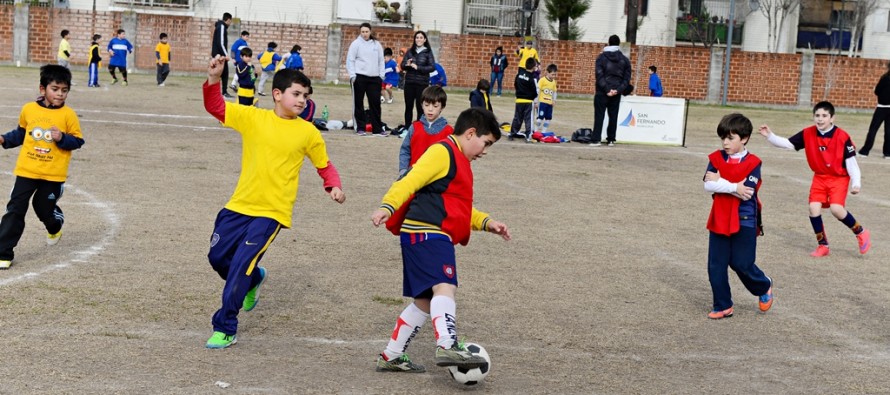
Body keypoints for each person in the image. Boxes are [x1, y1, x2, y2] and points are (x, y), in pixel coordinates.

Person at [201, 55, 346, 348]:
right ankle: (255, 280)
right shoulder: (254, 117)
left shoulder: (308, 132)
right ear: (277, 95)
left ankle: (226, 326)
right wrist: (214, 80)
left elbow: (324, 165)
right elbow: (216, 107)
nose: (302, 100)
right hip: (238, 206)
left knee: (241, 265)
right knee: (217, 258)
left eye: (305, 95)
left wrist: (333, 185)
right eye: (296, 93)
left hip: (271, 213)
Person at [370, 107, 511, 373]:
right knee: (445, 285)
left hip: (425, 233)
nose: (485, 151)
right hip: (428, 232)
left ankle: (391, 355)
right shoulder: (442, 152)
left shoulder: (459, 160)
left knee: (424, 301)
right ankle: (447, 344)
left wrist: (486, 222)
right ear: (471, 133)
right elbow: (409, 181)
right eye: (486, 143)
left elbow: (455, 206)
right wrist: (386, 207)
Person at [758, 101, 871, 257]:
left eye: (824, 115)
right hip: (820, 177)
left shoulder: (842, 137)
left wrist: (856, 183)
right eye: (817, 115)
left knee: (836, 209)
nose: (820, 119)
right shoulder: (808, 133)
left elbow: (852, 163)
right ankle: (823, 245)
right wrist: (770, 136)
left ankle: (861, 232)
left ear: (832, 118)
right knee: (813, 208)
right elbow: (788, 144)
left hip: (838, 178)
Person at [0, 65, 86, 270]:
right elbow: (22, 133)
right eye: (55, 89)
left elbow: (78, 141)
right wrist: (4, 139)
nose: (59, 94)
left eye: (64, 90)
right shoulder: (29, 109)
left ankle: (55, 225)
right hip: (27, 170)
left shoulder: (68, 115)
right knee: (15, 209)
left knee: (43, 208)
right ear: (42, 89)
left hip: (53, 174)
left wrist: (62, 138)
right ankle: (3, 253)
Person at [703, 113, 774, 320]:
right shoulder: (715, 158)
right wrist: (734, 186)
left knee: (741, 264)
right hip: (719, 217)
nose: (725, 143)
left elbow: (748, 193)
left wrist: (721, 182)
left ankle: (764, 284)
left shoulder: (753, 162)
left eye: (730, 138)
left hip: (745, 219)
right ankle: (723, 305)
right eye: (723, 138)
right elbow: (708, 185)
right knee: (716, 265)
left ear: (744, 139)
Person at [398, 85, 452, 177]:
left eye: (435, 106)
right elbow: (405, 150)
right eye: (426, 105)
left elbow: (452, 158)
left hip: (437, 180)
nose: (430, 109)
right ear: (422, 105)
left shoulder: (449, 131)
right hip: (413, 176)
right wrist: (403, 171)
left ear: (442, 107)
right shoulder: (414, 127)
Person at [346, 23, 386, 135]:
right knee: (358, 103)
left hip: (374, 78)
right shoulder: (356, 44)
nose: (365, 34)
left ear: (370, 31)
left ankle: (377, 129)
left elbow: (381, 61)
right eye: (362, 32)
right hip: (360, 77)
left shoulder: (376, 44)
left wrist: (381, 75)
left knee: (375, 104)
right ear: (360, 32)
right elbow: (350, 60)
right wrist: (353, 75)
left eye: (366, 32)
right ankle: (360, 128)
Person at [591, 34, 631, 146]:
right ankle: (611, 139)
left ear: (608, 43)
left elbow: (599, 75)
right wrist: (617, 90)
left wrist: (607, 89)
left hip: (602, 91)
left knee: (599, 115)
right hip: (616, 92)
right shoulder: (625, 60)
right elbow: (626, 79)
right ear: (618, 44)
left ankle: (596, 139)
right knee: (613, 116)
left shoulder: (601, 58)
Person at [401, 30, 435, 127]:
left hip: (422, 83)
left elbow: (432, 67)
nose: (418, 39)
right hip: (409, 82)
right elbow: (402, 65)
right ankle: (407, 127)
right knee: (408, 106)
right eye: (417, 37)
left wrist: (418, 67)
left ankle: (419, 128)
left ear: (424, 40)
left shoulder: (428, 52)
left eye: (421, 38)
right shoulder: (410, 51)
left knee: (420, 107)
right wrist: (407, 65)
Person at [858, 61, 890, 158]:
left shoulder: (885, 78)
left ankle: (865, 151)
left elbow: (877, 91)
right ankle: (888, 153)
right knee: (889, 131)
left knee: (873, 130)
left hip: (881, 108)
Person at [509, 58, 537, 142]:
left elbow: (515, 84)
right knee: (528, 119)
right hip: (528, 101)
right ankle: (528, 134)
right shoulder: (531, 78)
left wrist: (519, 93)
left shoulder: (519, 74)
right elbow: (534, 91)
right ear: (533, 67)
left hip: (519, 100)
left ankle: (513, 132)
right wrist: (533, 97)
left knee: (517, 117)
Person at [212, 12, 233, 98]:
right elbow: (221, 43)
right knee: (220, 74)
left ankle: (223, 92)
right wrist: (225, 54)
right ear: (228, 20)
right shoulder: (221, 27)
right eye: (230, 21)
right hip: (219, 55)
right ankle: (221, 92)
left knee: (223, 74)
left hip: (220, 54)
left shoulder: (221, 26)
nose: (230, 23)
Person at [536, 64, 558, 133]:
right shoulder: (542, 80)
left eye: (555, 74)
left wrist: (554, 100)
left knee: (548, 118)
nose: (554, 76)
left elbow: (554, 92)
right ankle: (535, 130)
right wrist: (536, 101)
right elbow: (538, 91)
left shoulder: (554, 82)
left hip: (550, 103)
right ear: (547, 73)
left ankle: (544, 132)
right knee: (540, 117)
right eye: (552, 74)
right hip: (542, 103)